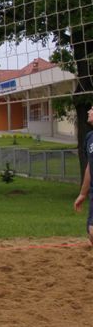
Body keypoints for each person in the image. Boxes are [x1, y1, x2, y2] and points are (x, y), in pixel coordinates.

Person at [74, 105, 93, 246]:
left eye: (92, 109)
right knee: (91, 232)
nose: (88, 111)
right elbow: (89, 167)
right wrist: (82, 194)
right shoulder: (89, 137)